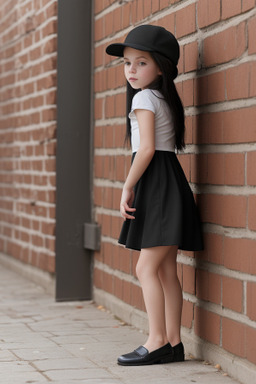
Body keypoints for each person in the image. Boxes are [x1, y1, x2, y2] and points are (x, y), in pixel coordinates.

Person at [106, 25, 203, 366]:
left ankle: (157, 339)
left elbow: (145, 149)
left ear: (161, 66)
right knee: (164, 271)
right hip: (169, 180)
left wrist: (127, 185)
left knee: (145, 267)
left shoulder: (145, 98)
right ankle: (173, 343)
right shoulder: (164, 97)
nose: (131, 70)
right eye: (127, 63)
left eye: (141, 63)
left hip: (156, 183)